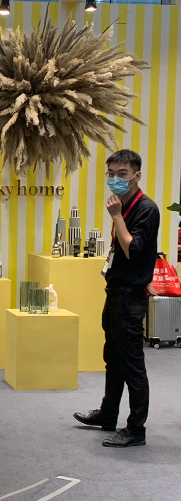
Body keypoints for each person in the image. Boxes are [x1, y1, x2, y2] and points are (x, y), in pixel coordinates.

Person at [73, 149, 160, 447]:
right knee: (113, 358)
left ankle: (136, 429)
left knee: (132, 365)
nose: (115, 179)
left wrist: (117, 217)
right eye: (111, 174)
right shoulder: (123, 204)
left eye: (122, 174)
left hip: (129, 297)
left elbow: (133, 249)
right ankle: (108, 413)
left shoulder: (146, 208)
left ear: (137, 176)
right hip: (116, 292)